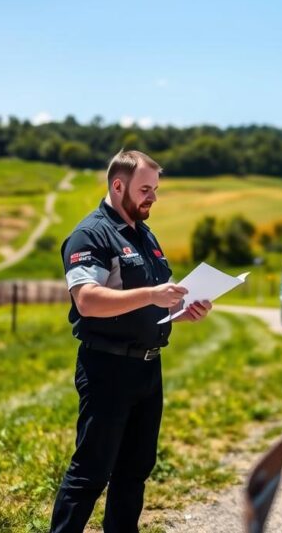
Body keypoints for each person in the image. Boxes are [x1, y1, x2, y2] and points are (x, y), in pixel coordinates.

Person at [50, 150, 212, 532]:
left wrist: (182, 309)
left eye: (155, 189)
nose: (152, 197)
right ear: (117, 185)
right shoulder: (90, 234)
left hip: (147, 369)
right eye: (145, 189)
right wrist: (153, 296)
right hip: (107, 368)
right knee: (90, 472)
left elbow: (150, 300)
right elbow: (87, 301)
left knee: (134, 472)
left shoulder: (145, 236)